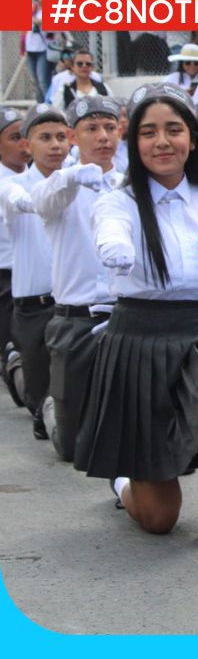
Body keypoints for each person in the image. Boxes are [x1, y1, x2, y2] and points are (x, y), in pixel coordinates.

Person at [78, 83, 198, 551]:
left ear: (192, 138)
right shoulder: (118, 203)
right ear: (133, 142)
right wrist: (116, 250)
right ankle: (124, 482)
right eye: (148, 132)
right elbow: (111, 231)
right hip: (141, 338)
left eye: (173, 130)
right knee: (160, 518)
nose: (162, 142)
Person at [32, 97, 120, 461]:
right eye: (92, 129)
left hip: (124, 314)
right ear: (72, 136)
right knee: (71, 448)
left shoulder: (130, 182)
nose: (103, 137)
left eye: (110, 128)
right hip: (75, 318)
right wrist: (71, 176)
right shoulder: (59, 186)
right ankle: (53, 407)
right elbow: (44, 202)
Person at [1, 105, 73, 440]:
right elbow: (22, 200)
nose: (55, 144)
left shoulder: (80, 179)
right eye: (44, 137)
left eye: (61, 136)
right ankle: (20, 372)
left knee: (68, 400)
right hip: (33, 304)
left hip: (71, 303)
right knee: (39, 398)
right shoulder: (12, 186)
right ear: (28, 145)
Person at [0, 108, 26, 410]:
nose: (23, 144)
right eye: (14, 137)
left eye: (25, 137)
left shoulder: (47, 177)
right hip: (5, 275)